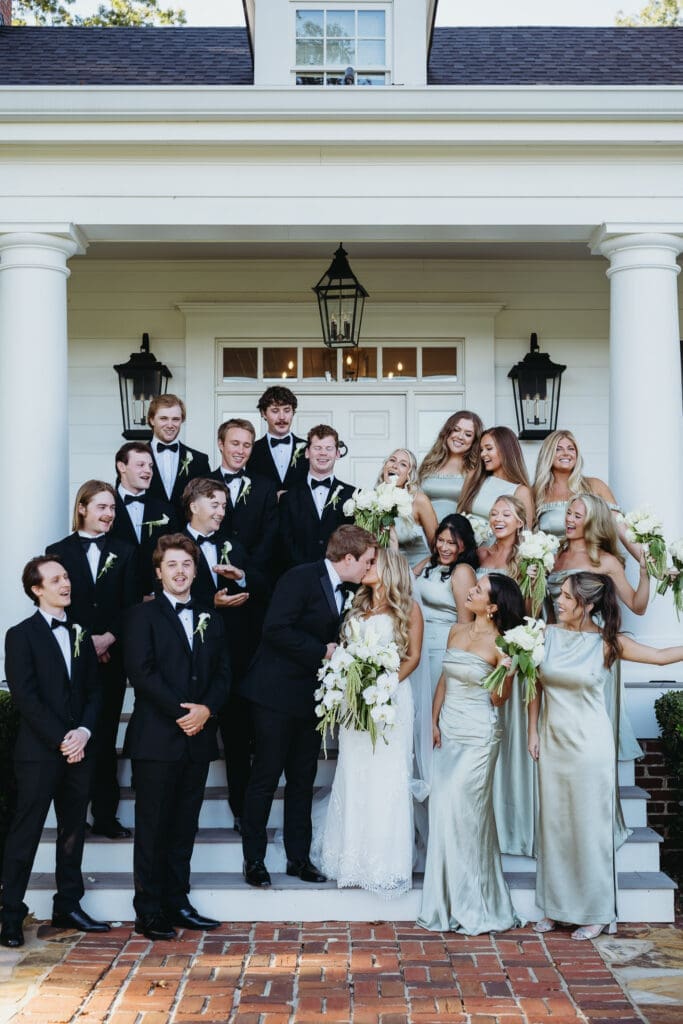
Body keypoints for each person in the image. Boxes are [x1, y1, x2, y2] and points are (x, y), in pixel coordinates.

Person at [528, 572, 683, 940]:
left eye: (567, 597)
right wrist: (532, 730)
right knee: (555, 826)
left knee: (589, 829)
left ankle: (596, 912)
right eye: (559, 595)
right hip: (552, 741)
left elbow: (660, 658)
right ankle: (556, 908)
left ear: (589, 604)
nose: (559, 602)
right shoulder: (544, 635)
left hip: (590, 747)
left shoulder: (607, 643)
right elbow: (533, 683)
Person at [240, 525, 376, 888]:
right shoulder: (300, 578)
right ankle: (253, 860)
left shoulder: (350, 590)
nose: (369, 568)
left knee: (303, 780)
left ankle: (297, 859)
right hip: (274, 695)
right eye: (366, 561)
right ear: (348, 559)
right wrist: (322, 651)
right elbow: (275, 629)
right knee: (266, 778)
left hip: (311, 700)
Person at [123, 534, 231, 941]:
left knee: (185, 826)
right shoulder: (140, 617)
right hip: (157, 738)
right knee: (153, 827)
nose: (180, 572)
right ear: (158, 572)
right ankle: (148, 910)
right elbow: (142, 673)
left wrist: (207, 710)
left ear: (195, 570)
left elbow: (223, 672)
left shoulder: (211, 618)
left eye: (186, 564)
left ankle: (178, 901)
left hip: (198, 737)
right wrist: (183, 712)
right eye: (172, 565)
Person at [1, 556, 109, 949]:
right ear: (36, 588)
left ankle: (68, 905)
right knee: (25, 833)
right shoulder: (20, 634)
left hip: (79, 749)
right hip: (39, 753)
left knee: (72, 831)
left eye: (66, 577)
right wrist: (63, 737)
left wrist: (82, 732)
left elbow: (95, 691)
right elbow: (26, 697)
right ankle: (10, 913)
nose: (66, 584)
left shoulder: (80, 631)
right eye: (56, 579)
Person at [418, 573, 525, 935]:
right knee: (444, 810)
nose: (471, 591)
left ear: (492, 607)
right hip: (449, 731)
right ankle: (444, 901)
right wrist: (433, 722)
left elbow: (499, 700)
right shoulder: (455, 631)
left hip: (480, 735)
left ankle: (475, 904)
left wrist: (507, 674)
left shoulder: (502, 644)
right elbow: (444, 680)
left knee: (467, 816)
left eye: (478, 590)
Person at [315, 548, 425, 896]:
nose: (365, 566)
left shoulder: (408, 609)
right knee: (354, 772)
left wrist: (383, 688)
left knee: (387, 776)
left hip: (390, 702)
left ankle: (386, 863)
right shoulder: (357, 606)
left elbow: (414, 656)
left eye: (372, 562)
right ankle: (351, 860)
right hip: (355, 700)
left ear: (388, 569)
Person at [46, 481, 138, 840]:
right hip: (70, 659)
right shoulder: (57, 551)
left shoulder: (126, 551)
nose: (109, 514)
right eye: (101, 507)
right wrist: (85, 644)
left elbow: (130, 605)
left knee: (103, 736)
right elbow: (55, 604)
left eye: (113, 508)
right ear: (82, 507)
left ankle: (105, 814)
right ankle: (72, 816)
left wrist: (108, 638)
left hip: (111, 658)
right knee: (71, 733)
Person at [181, 477, 265, 834]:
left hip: (232, 657)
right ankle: (181, 810)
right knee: (188, 734)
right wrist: (208, 603)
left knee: (237, 733)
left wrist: (242, 577)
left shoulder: (231, 543)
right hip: (187, 660)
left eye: (224, 506)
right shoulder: (174, 544)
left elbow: (262, 584)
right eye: (215, 505)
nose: (221, 512)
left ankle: (241, 809)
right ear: (194, 505)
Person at [548, 493, 650, 764]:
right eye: (568, 513)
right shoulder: (555, 553)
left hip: (593, 642)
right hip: (557, 639)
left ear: (592, 522)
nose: (569, 519)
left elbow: (637, 606)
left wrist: (644, 575)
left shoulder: (606, 561)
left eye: (577, 516)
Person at [474, 494, 536, 857]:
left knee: (509, 735)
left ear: (520, 522)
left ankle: (513, 824)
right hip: (481, 649)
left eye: (506, 513)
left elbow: (530, 611)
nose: (498, 518)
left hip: (512, 650)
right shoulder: (482, 556)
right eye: (494, 512)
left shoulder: (528, 559)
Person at [533, 430, 639, 557]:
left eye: (571, 449)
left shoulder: (595, 486)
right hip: (549, 571)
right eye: (558, 449)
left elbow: (621, 529)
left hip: (589, 567)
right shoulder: (536, 492)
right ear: (547, 454)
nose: (566, 453)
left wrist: (648, 561)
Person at [208, 418, 279, 582]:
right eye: (235, 443)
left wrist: (246, 573)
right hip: (213, 575)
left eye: (246, 445)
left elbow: (270, 535)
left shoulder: (266, 486)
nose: (240, 451)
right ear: (221, 444)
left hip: (253, 579)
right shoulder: (202, 482)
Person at [413, 515, 477, 696]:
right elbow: (403, 583)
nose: (444, 547)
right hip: (418, 645)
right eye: (441, 540)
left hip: (440, 651)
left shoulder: (462, 572)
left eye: (451, 543)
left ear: (463, 545)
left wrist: (452, 663)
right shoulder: (429, 563)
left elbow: (465, 625)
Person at [278, 425, 355, 568]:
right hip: (300, 578)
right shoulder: (288, 498)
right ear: (307, 452)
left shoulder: (353, 496)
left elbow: (355, 544)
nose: (323, 453)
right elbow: (285, 544)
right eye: (317, 448)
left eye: (328, 448)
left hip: (342, 578)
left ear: (337, 453)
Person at [110, 441, 179, 598]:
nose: (148, 471)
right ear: (121, 467)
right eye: (140, 465)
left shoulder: (166, 510)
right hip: (116, 598)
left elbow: (174, 553)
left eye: (150, 466)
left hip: (158, 598)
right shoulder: (106, 506)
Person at [458, 426, 534, 535]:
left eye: (489, 448)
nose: (483, 454)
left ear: (505, 450)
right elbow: (459, 516)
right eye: (481, 450)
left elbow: (524, 535)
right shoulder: (474, 477)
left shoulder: (521, 491)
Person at [145, 394, 211, 519]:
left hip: (186, 535)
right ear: (152, 420)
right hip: (146, 534)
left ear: (182, 420)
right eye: (163, 418)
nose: (170, 425)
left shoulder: (199, 460)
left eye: (175, 419)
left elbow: (206, 502)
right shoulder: (133, 458)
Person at [418, 410, 484, 521]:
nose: (460, 436)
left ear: (474, 441)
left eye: (468, 434)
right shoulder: (429, 463)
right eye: (456, 430)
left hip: (452, 533)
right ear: (447, 432)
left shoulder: (476, 470)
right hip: (420, 529)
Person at [378, 448, 437, 568]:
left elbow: (438, 547)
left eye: (403, 464)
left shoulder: (419, 501)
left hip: (416, 573)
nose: (395, 466)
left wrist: (415, 573)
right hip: (385, 573)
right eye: (392, 460)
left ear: (409, 474)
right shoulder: (373, 501)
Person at [247, 386, 308, 496]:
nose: (282, 417)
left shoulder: (309, 448)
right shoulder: (251, 449)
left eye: (287, 410)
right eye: (275, 411)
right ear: (263, 413)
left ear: (293, 412)